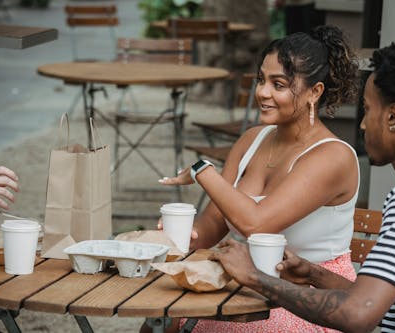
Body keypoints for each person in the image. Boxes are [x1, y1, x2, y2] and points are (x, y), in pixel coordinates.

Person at [211, 42, 395, 332]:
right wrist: (315, 274)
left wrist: (256, 277)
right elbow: (379, 306)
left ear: (392, 117)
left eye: (367, 110)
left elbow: (358, 316)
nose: (363, 126)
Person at [153, 25, 360, 332]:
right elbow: (213, 224)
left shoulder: (333, 157)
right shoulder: (251, 140)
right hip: (250, 282)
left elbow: (257, 223)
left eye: (279, 85)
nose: (262, 92)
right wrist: (181, 233)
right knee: (158, 318)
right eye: (262, 80)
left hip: (311, 297)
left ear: (314, 92)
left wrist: (201, 170)